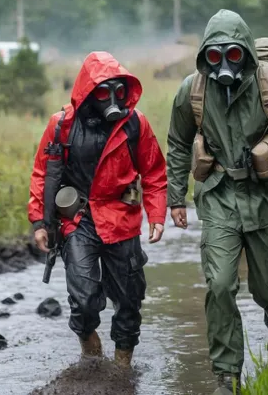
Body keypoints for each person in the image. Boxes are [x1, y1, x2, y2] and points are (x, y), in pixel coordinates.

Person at [167, 9, 268, 393]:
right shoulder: (193, 90)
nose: (224, 63)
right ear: (205, 55)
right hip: (219, 196)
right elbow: (177, 143)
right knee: (219, 285)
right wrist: (176, 198)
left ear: (247, 54)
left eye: (233, 54)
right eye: (215, 55)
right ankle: (226, 375)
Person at [28, 51, 167, 367]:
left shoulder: (135, 124)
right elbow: (41, 174)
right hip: (79, 221)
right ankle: (90, 354)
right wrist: (39, 221)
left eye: (118, 90)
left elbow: (155, 171)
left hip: (122, 219)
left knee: (130, 300)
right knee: (85, 299)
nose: (112, 98)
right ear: (88, 92)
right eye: (104, 91)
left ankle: (121, 371)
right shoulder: (62, 126)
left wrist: (156, 214)